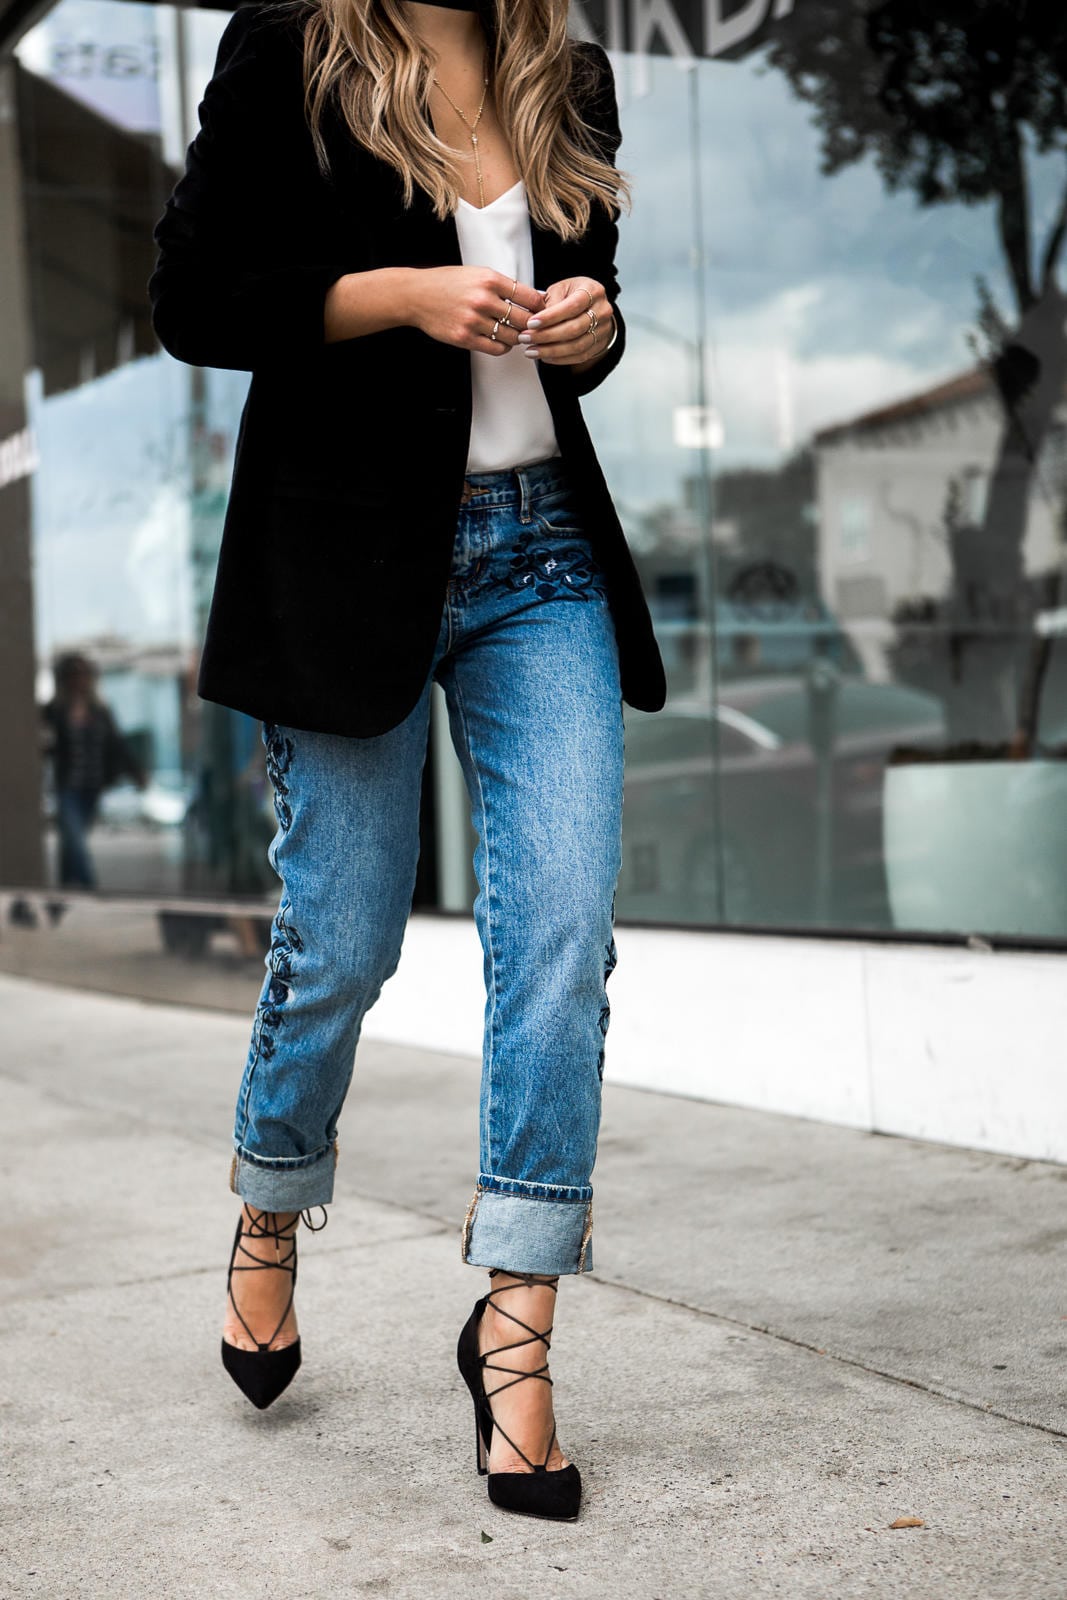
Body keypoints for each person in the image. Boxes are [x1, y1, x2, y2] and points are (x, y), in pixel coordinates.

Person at [148, 0, 665, 1522]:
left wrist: (593, 325)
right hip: (344, 564)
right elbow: (195, 299)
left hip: (543, 563)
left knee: (559, 944)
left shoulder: (563, 69)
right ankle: (270, 1199)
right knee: (341, 946)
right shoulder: (291, 44)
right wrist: (400, 297)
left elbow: (598, 299)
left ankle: (515, 1336)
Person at [42, 653, 146, 889]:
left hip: (93, 785)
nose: (79, 681)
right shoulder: (54, 711)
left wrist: (136, 772)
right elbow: (44, 745)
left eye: (83, 675)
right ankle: (89, 888)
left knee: (72, 841)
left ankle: (67, 888)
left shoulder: (100, 711)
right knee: (74, 838)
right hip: (67, 785)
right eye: (73, 676)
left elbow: (117, 745)